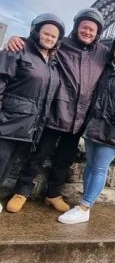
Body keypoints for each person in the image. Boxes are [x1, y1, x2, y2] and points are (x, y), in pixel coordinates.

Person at [5, 8, 115, 214]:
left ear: (97, 33)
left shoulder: (103, 52)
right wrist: (15, 39)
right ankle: (22, 192)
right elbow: (40, 43)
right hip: (56, 113)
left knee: (64, 159)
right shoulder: (62, 44)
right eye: (84, 27)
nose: (87, 32)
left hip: (80, 119)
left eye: (92, 29)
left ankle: (53, 194)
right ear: (77, 27)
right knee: (38, 154)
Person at [58, 30, 115, 224]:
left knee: (99, 168)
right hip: (93, 127)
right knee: (90, 165)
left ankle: (84, 207)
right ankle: (85, 205)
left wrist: (114, 122)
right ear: (113, 48)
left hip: (112, 131)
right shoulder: (105, 68)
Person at [0, 13, 65, 213]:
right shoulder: (17, 49)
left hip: (30, 125)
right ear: (36, 31)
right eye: (46, 33)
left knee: (7, 164)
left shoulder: (52, 62)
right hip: (9, 119)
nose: (49, 38)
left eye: (54, 36)